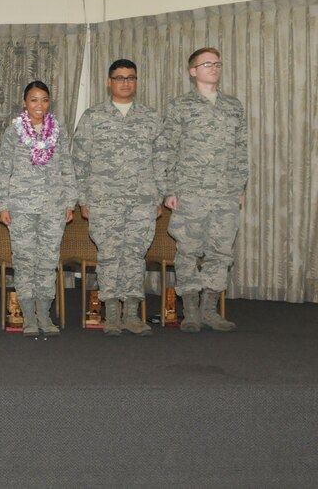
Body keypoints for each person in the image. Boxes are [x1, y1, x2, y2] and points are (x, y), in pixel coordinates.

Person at [156, 47, 247, 333]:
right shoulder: (179, 106)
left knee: (221, 253)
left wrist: (239, 186)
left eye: (218, 63)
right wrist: (168, 189)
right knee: (188, 252)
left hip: (225, 194)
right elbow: (167, 149)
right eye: (207, 64)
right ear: (193, 71)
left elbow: (241, 149)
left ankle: (210, 310)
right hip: (190, 192)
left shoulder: (233, 106)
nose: (214, 68)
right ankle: (191, 311)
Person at [72, 59, 162, 336]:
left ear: (137, 81)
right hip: (104, 200)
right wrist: (83, 199)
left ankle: (132, 314)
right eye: (120, 77)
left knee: (136, 255)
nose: (126, 82)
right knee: (109, 255)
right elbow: (79, 160)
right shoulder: (93, 116)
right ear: (109, 82)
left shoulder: (151, 117)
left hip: (142, 200)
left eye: (131, 77)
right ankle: (111, 312)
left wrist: (158, 196)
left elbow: (161, 159)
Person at [0, 81, 77, 337]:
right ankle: (28, 316)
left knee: (47, 262)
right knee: (24, 261)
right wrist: (3, 204)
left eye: (44, 100)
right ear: (24, 102)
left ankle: (45, 314)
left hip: (53, 206)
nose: (39, 105)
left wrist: (69, 201)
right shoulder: (13, 132)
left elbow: (67, 167)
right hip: (21, 207)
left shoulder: (59, 131)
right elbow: (3, 170)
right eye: (34, 100)